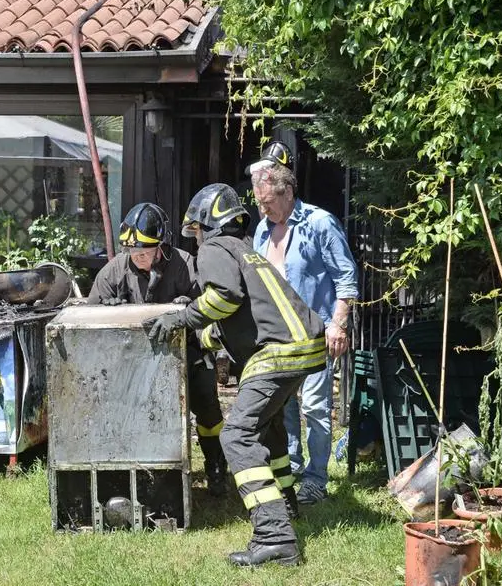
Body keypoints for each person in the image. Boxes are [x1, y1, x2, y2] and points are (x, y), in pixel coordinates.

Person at [144, 184, 326, 566]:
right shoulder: (244, 249)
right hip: (301, 346)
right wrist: (199, 327)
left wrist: (180, 316)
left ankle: (275, 536)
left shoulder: (215, 249)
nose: (194, 240)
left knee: (238, 434)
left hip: (276, 353)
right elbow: (235, 318)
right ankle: (287, 504)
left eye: (194, 232)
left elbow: (223, 297)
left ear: (206, 224)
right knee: (268, 427)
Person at [88, 202, 228, 496]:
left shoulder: (186, 265)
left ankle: (216, 467)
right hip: (133, 364)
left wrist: (188, 309)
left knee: (208, 409)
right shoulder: (114, 272)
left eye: (144, 252)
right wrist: (108, 311)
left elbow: (210, 310)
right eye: (133, 252)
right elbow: (90, 320)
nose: (137, 258)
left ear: (162, 246)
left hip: (188, 353)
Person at [251, 145, 358, 505]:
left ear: (287, 191)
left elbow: (346, 277)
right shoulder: (263, 231)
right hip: (278, 337)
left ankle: (316, 479)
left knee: (314, 406)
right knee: (284, 406)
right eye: (259, 202)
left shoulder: (319, 223)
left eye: (267, 202)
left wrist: (338, 326)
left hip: (315, 335)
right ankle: (292, 467)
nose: (262, 209)